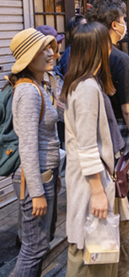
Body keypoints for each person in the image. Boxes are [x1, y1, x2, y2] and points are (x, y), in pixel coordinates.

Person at [86, 0, 129, 277]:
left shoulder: (83, 56)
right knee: (128, 210)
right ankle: (126, 271)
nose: (126, 25)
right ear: (115, 24)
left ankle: (109, 270)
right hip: (121, 148)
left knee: (105, 214)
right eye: (124, 20)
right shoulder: (120, 60)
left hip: (93, 150)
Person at [62, 23, 119, 276]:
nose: (112, 45)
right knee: (90, 251)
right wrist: (98, 191)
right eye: (107, 41)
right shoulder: (86, 87)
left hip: (90, 180)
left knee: (95, 249)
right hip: (90, 184)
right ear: (97, 48)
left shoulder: (82, 83)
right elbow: (86, 145)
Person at [9, 28, 59, 275]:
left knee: (38, 246)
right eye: (43, 49)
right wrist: (37, 192)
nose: (51, 52)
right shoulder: (28, 91)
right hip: (34, 178)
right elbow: (27, 145)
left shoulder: (39, 85)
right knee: (33, 248)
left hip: (43, 174)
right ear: (29, 58)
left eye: (50, 47)